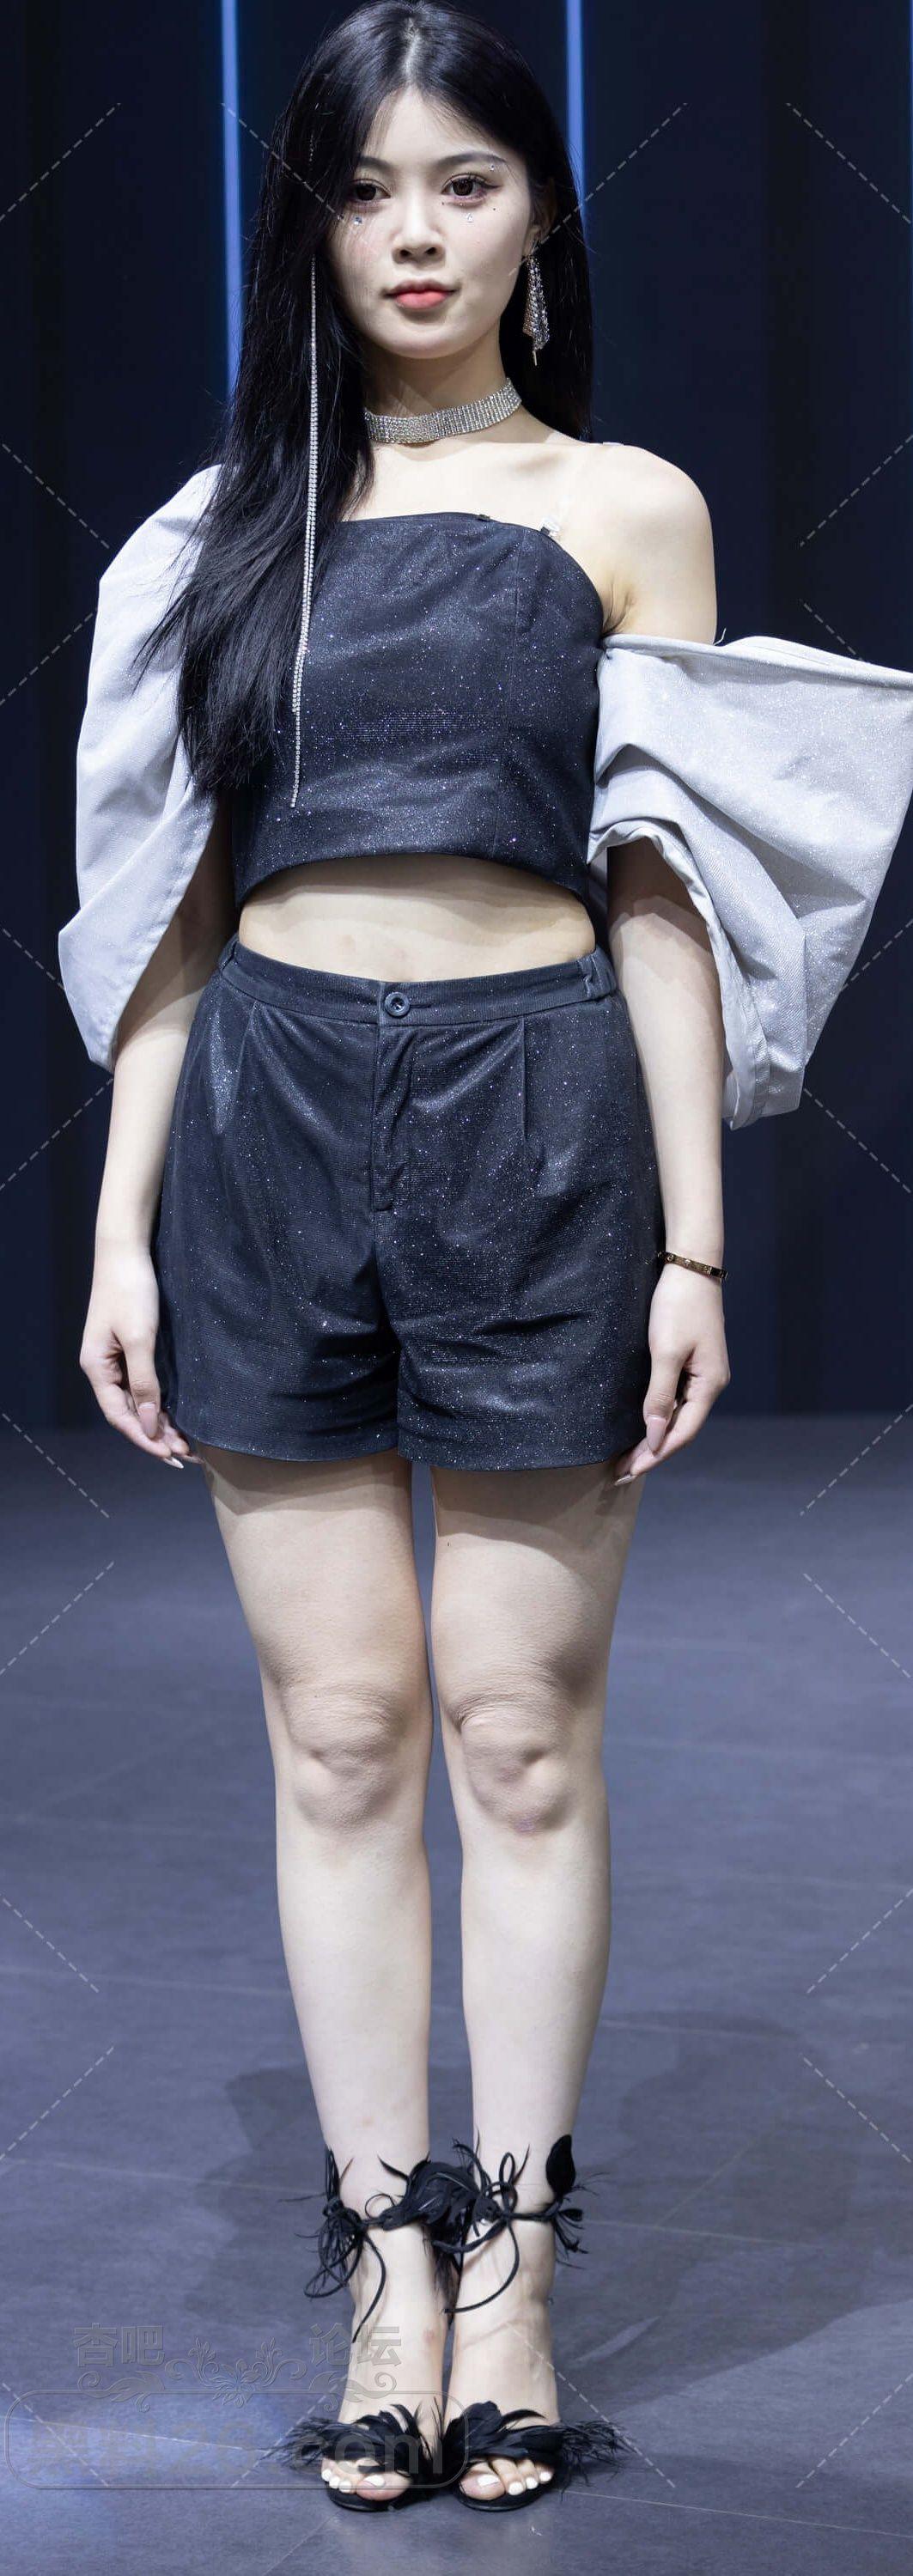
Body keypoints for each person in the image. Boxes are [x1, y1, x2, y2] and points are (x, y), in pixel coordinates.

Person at [58, 0, 913, 2519]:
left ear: (541, 213)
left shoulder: (628, 506)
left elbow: (663, 886)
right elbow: (172, 913)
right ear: (308, 227)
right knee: (341, 1733)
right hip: (265, 1121)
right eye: (365, 189)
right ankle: (385, 2270)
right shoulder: (213, 536)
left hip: (542, 1120)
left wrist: (698, 1244)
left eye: (464, 182)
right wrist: (117, 1225)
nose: (415, 234)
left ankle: (516, 2261)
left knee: (518, 1729)